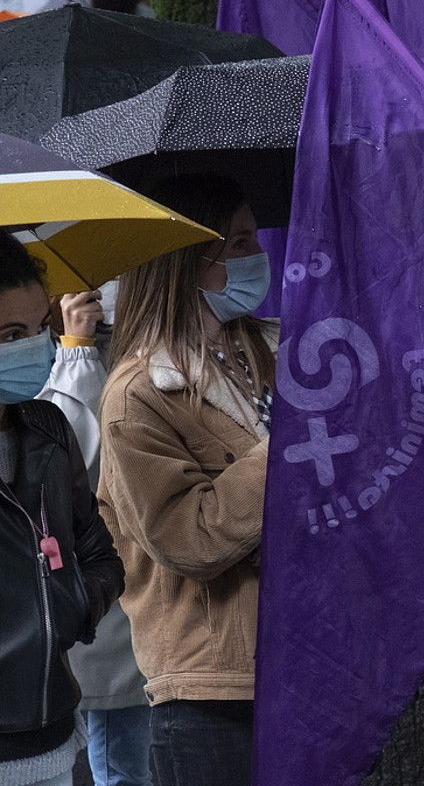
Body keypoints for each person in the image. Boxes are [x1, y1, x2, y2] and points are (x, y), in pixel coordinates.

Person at [98, 174, 275, 786]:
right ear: (196, 260)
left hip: (310, 655)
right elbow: (189, 538)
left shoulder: (276, 351)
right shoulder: (138, 395)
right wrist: (285, 451)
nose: (260, 257)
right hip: (211, 685)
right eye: (242, 243)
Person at [0, 231, 124, 786]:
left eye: (36, 330)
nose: (33, 350)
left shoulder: (46, 428)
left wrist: (69, 605)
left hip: (52, 732)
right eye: (9, 335)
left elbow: (99, 551)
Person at [38, 285, 152, 786]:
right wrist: (75, 352)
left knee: (134, 753)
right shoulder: (43, 353)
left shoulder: (139, 342)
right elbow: (67, 447)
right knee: (113, 752)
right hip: (81, 579)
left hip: (136, 570)